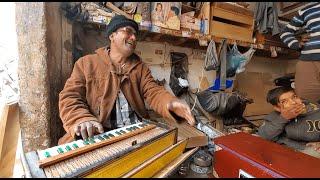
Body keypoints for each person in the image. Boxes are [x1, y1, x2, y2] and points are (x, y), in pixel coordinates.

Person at [58, 15, 195, 145]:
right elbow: (70, 97)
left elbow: (153, 92)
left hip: (136, 134)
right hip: (100, 136)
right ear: (112, 35)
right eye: (128, 31)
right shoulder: (86, 63)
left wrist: (170, 103)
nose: (134, 37)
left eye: (135, 34)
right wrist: (82, 118)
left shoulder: (140, 68)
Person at [258, 86, 320, 158]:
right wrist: (283, 118)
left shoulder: (317, 112)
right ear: (277, 108)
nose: (293, 102)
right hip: (289, 153)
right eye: (284, 101)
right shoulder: (274, 117)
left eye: (294, 97)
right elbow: (263, 137)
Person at [280, 2, 320, 103]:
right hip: (308, 63)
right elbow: (286, 32)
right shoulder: (306, 9)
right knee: (305, 106)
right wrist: (296, 44)